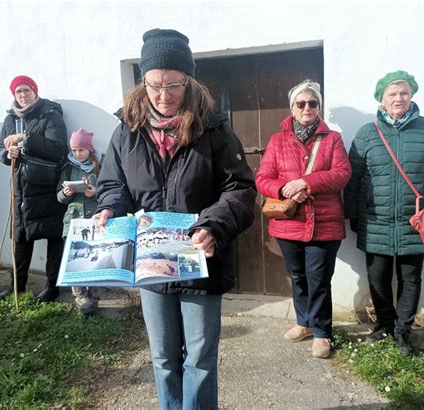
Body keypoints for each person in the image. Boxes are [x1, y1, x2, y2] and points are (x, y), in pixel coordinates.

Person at [95, 28, 256, 408]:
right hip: (152, 264)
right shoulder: (126, 132)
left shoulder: (215, 129)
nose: (163, 95)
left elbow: (240, 190)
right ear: (143, 82)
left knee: (199, 358)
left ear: (189, 81)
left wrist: (213, 226)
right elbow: (113, 184)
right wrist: (110, 208)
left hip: (201, 259)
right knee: (164, 357)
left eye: (173, 85)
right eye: (154, 85)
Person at [344, 70, 424, 356]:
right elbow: (353, 177)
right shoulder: (367, 133)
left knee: (410, 278)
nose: (398, 98)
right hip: (375, 219)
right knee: (378, 278)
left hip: (414, 220)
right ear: (381, 100)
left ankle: (403, 332)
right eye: (392, 94)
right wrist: (353, 213)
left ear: (412, 96)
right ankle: (384, 323)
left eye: (404, 92)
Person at [256, 80, 351, 359]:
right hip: (289, 223)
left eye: (313, 103)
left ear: (319, 107)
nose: (307, 107)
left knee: (319, 279)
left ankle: (322, 333)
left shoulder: (332, 139)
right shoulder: (277, 140)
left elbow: (342, 174)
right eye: (301, 103)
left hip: (324, 223)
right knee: (298, 277)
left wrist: (304, 182)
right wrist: (282, 188)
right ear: (292, 108)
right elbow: (263, 178)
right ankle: (304, 323)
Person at [0, 75, 68, 302]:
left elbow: (58, 149)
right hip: (21, 188)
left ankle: (52, 286)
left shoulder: (50, 114)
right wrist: (9, 154)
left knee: (53, 236)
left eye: (26, 90)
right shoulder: (9, 119)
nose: (23, 95)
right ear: (14, 95)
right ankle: (17, 285)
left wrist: (25, 139)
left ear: (35, 91)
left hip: (46, 187)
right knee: (21, 238)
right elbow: (0, 149)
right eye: (18, 92)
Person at [57, 128, 103, 315]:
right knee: (75, 258)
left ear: (89, 150)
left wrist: (96, 192)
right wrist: (66, 194)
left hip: (94, 220)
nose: (77, 154)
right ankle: (81, 297)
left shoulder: (102, 164)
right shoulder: (68, 168)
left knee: (94, 257)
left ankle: (94, 294)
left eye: (81, 150)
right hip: (74, 221)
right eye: (74, 150)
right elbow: (59, 197)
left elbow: (112, 189)